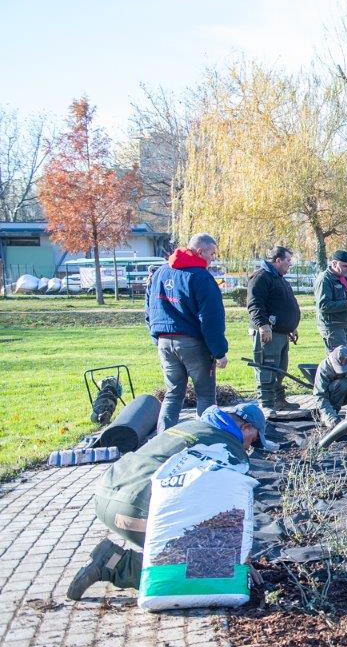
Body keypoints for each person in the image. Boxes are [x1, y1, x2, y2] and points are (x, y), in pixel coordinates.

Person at [66, 403, 267, 600]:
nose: (249, 447)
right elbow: (228, 510)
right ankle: (116, 564)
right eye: (253, 439)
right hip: (134, 511)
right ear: (245, 428)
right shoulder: (229, 451)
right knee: (212, 569)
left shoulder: (189, 425)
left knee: (203, 552)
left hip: (104, 495)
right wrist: (236, 558)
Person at [146, 233, 228, 431]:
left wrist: (156, 336)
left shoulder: (160, 273)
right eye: (212, 253)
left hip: (165, 341)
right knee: (205, 395)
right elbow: (211, 319)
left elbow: (149, 308)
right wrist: (219, 352)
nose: (213, 258)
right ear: (200, 251)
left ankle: (162, 441)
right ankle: (204, 438)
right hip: (193, 344)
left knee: (173, 394)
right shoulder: (201, 278)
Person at [246, 245, 301, 417]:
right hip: (268, 332)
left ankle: (279, 399)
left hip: (282, 333)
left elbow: (282, 304)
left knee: (280, 369)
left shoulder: (278, 277)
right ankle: (266, 404)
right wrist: (263, 325)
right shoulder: (261, 277)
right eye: (288, 260)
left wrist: (291, 326)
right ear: (277, 260)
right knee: (267, 366)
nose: (289, 264)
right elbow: (255, 304)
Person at [314, 250, 347, 361]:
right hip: (333, 328)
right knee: (341, 360)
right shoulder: (325, 280)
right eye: (344, 266)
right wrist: (346, 304)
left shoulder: (346, 279)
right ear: (334, 264)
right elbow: (323, 305)